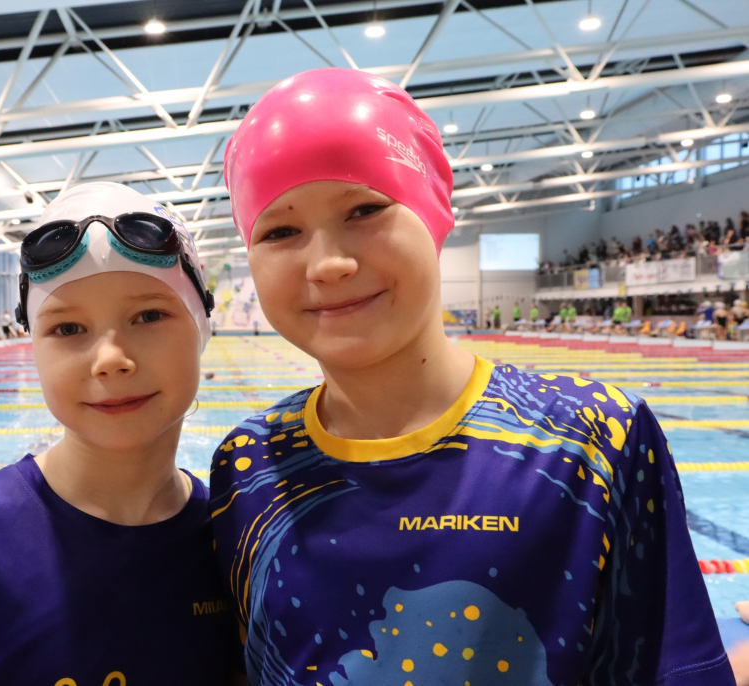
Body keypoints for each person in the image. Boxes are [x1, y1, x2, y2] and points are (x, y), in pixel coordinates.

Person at [212, 67, 733, 686]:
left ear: (434, 213)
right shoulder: (247, 464)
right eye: (279, 231)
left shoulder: (595, 440)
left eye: (365, 209)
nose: (328, 263)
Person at [0, 182, 237, 686]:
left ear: (202, 325)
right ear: (34, 348)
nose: (110, 360)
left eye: (149, 316)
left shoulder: (239, 541)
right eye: (68, 329)